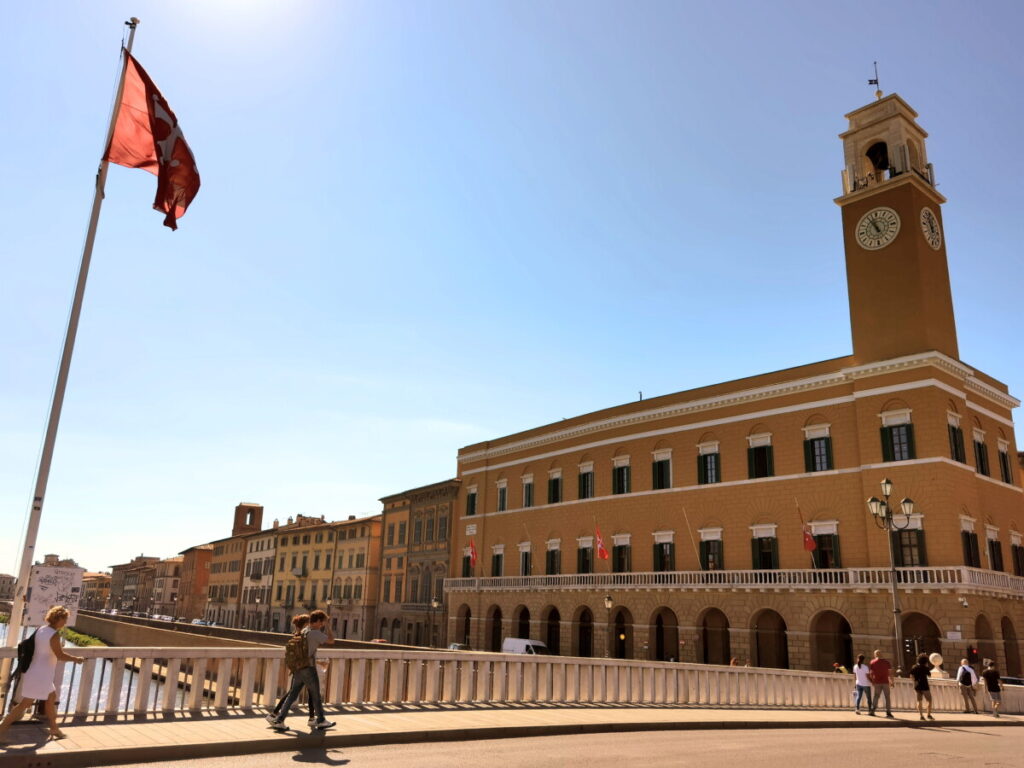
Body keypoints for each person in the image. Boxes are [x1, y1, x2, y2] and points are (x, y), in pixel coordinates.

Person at [0, 606, 85, 741]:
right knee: (24, 704)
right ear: (58, 619)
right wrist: (76, 659)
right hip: (41, 675)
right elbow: (60, 655)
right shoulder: (54, 635)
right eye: (64, 619)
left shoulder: (41, 629)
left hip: (37, 672)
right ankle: (1, 730)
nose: (65, 622)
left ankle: (54, 728)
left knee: (51, 698)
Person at [267, 609, 335, 731]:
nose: (322, 625)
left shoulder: (305, 631)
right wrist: (329, 626)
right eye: (322, 622)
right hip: (309, 668)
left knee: (292, 695)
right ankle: (321, 720)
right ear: (319, 621)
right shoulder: (315, 633)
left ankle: (279, 720)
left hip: (298, 667)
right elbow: (331, 640)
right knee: (316, 695)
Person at [266, 614, 313, 727]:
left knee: (298, 692)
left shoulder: (297, 636)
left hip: (297, 668)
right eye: (309, 623)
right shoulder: (303, 637)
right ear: (306, 624)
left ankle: (274, 715)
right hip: (303, 669)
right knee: (304, 692)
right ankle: (276, 716)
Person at [867, 649, 894, 718]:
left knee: (876, 696)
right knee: (887, 697)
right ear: (881, 654)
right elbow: (890, 674)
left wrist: (872, 681)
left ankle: (872, 711)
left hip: (877, 682)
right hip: (885, 682)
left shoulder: (872, 662)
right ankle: (888, 713)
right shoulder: (887, 662)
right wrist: (892, 682)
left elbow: (870, 674)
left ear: (875, 655)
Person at [910, 653, 934, 721]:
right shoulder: (926, 668)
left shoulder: (914, 667)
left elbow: (911, 676)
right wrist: (927, 666)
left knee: (919, 700)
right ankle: (928, 715)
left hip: (917, 685)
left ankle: (921, 716)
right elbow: (929, 676)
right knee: (929, 700)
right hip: (924, 685)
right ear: (925, 661)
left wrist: (915, 681)